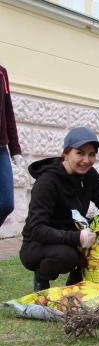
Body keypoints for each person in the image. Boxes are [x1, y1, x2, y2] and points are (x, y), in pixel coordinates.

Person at [20, 127, 99, 292]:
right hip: (39, 243)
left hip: (76, 232)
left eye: (92, 154)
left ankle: (78, 279)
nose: (86, 160)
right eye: (80, 153)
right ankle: (41, 279)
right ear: (66, 153)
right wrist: (77, 237)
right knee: (66, 256)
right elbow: (37, 228)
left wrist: (98, 225)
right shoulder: (47, 181)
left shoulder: (90, 175)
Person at [0, 65, 23, 228]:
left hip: (1, 147)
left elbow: (8, 111)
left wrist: (15, 149)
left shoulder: (2, 72)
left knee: (7, 203)